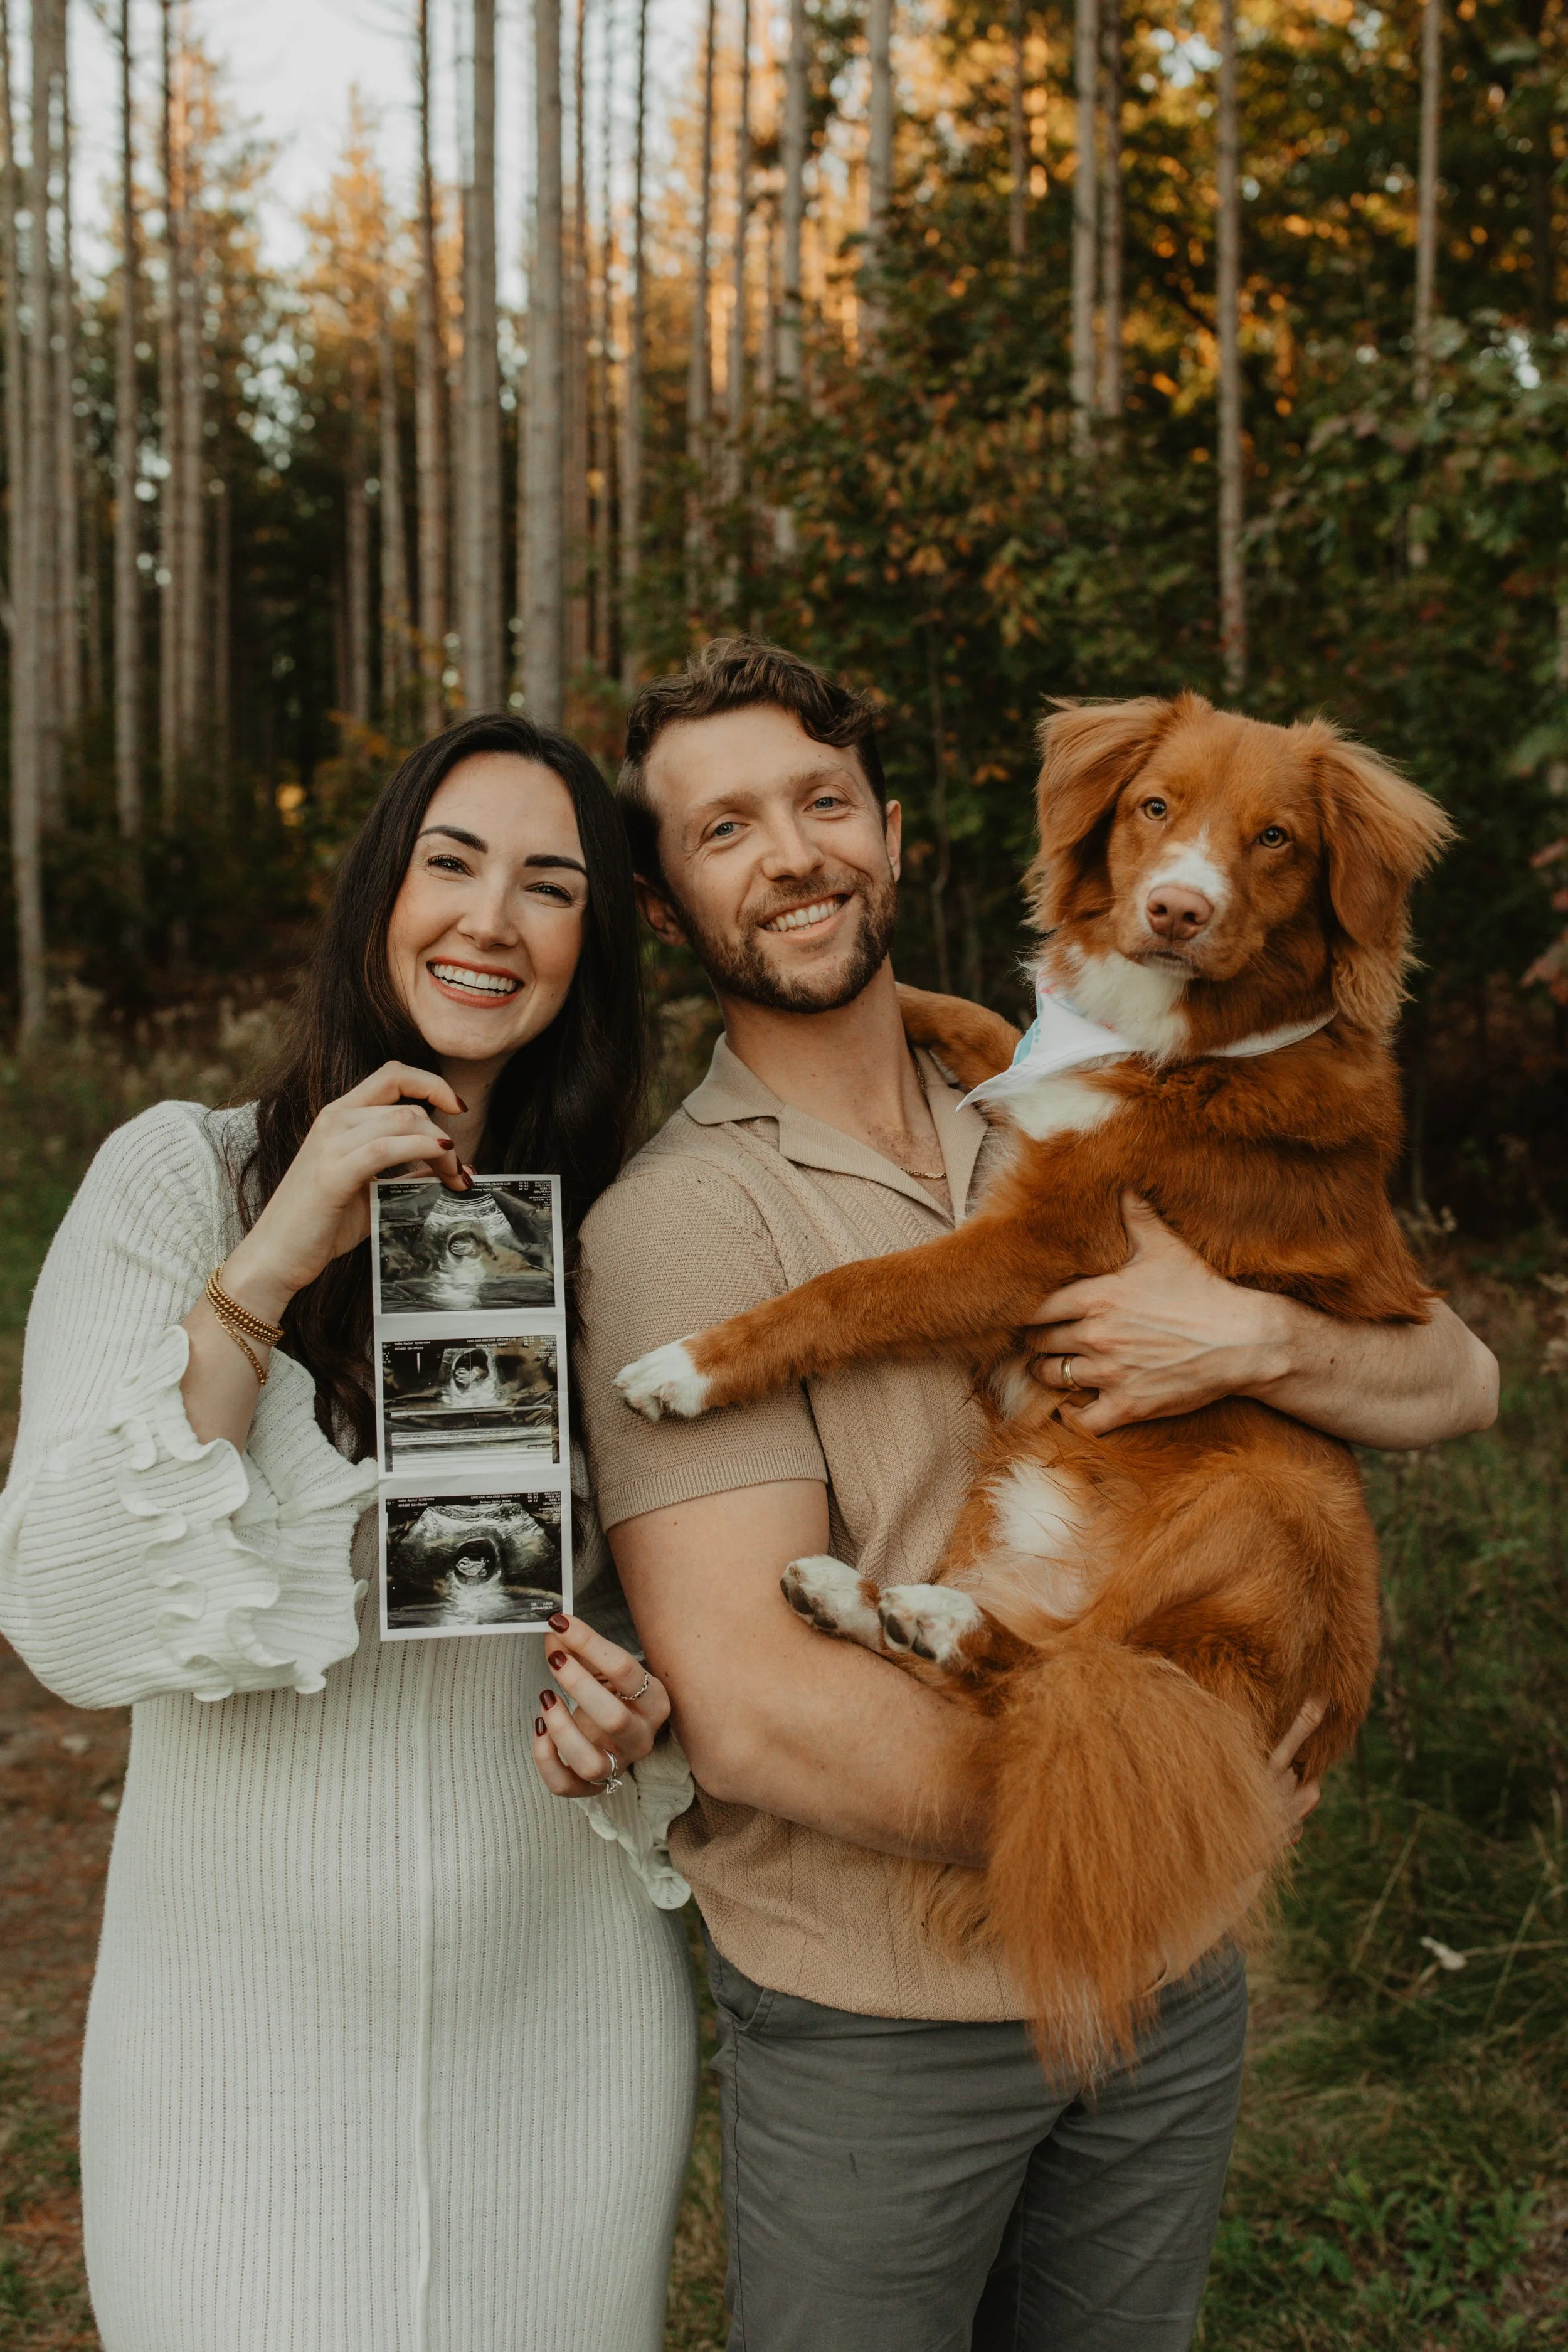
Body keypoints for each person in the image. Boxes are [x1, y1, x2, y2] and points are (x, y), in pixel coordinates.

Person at [564, 638, 1500, 2352]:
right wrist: (1165, 1827)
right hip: (888, 2016)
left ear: (895, 832)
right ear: (662, 898)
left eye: (821, 802)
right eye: (722, 830)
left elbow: (1455, 1375)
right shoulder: (674, 1232)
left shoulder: (1096, 1077)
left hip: (1162, 1992)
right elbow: (759, 1717)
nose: (790, 854)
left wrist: (1252, 1338)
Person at [0, 714, 697, 2352]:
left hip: (558, 2019)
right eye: (450, 861)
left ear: (587, 948)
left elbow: (687, 1602)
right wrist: (273, 1254)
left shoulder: (626, 1230)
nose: (489, 918)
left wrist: (645, 1719)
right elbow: (74, 1612)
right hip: (233, 2037)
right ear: (378, 889)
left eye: (550, 884)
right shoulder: (181, 1177)